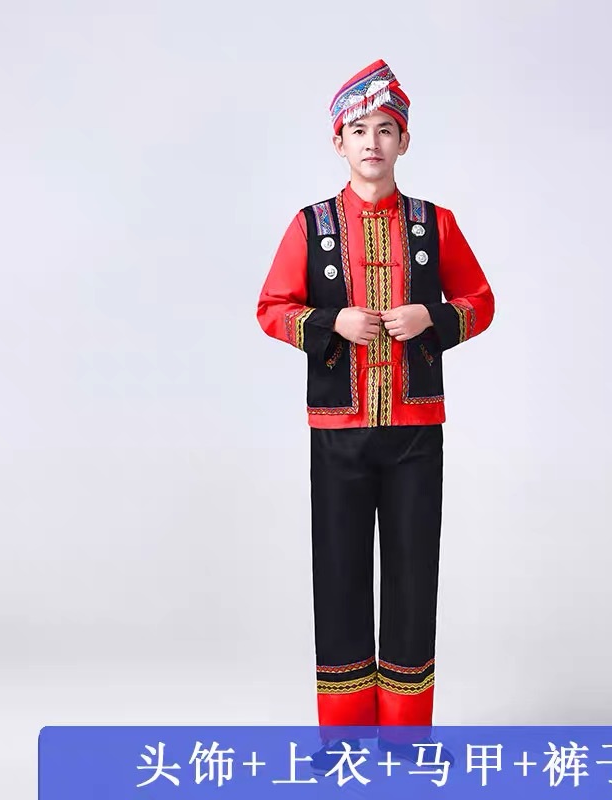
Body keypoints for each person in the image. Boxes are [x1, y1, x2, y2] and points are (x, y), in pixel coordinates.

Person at [256, 58, 495, 770]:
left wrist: (432, 318)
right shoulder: (311, 226)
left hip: (416, 433)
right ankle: (344, 742)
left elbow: (480, 301)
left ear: (404, 141)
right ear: (338, 141)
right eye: (358, 130)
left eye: (385, 129)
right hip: (338, 433)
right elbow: (271, 308)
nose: (372, 142)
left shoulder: (434, 225)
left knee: (413, 581)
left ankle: (407, 740)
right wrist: (332, 322)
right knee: (340, 580)